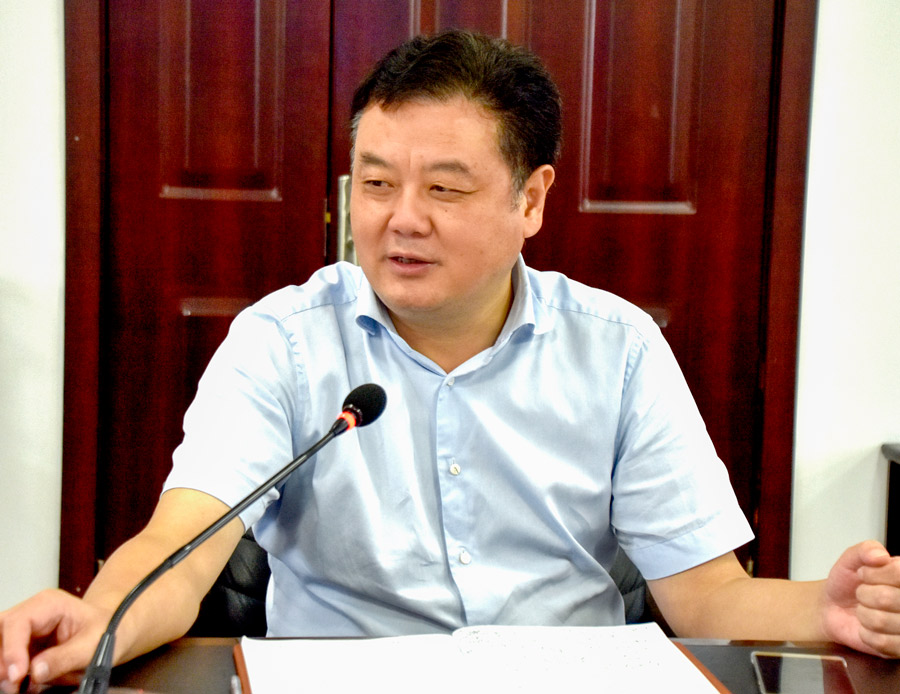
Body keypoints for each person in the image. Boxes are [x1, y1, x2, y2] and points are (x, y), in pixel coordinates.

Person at [2, 29, 900, 693]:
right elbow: (180, 547)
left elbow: (706, 599)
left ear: (531, 200)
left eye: (444, 187)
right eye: (377, 182)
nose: (401, 219)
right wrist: (97, 616)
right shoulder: (283, 341)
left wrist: (827, 610)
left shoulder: (619, 349)